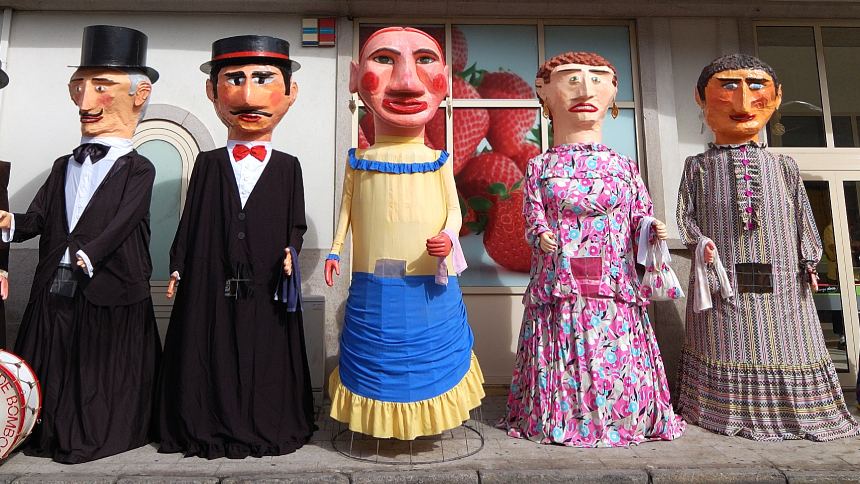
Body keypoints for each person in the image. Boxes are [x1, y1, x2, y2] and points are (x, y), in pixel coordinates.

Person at [499, 51, 685, 447]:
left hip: (613, 283)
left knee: (613, 351)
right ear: (544, 92)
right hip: (560, 282)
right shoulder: (539, 167)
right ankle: (562, 415)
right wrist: (540, 233)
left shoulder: (625, 166)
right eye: (571, 79)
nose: (585, 89)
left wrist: (650, 228)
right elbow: (532, 215)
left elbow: (639, 213)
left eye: (598, 79)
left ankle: (622, 415)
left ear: (614, 93)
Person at [676, 53, 859, 441]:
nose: (743, 101)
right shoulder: (697, 166)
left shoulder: (785, 165)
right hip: (723, 276)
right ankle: (724, 407)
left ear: (777, 98)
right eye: (728, 86)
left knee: (787, 341)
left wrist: (810, 259)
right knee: (728, 338)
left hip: (783, 278)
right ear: (700, 97)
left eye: (756, 86)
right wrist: (699, 242)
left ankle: (795, 409)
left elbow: (802, 215)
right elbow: (684, 214)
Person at [0, 25, 161, 463]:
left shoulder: (139, 169)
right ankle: (47, 430)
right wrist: (11, 222)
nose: (85, 103)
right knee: (53, 356)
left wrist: (90, 253)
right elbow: (39, 218)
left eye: (101, 87)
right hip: (56, 282)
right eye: (79, 87)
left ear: (139, 95)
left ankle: (96, 433)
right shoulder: (61, 166)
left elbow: (125, 221)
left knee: (98, 366)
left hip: (110, 284)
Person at [156, 35, 314, 459]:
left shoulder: (289, 167)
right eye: (235, 80)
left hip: (267, 279)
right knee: (212, 346)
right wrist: (178, 265)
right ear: (212, 91)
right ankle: (207, 419)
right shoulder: (207, 163)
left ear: (290, 93)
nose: (248, 95)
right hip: (212, 276)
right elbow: (190, 219)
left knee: (263, 350)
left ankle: (263, 419)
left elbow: (296, 222)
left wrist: (291, 251)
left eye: (263, 79)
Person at [325, 26, 484, 440]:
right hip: (373, 283)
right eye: (384, 59)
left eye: (425, 60)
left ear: (444, 80)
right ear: (354, 77)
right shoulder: (357, 161)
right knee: (375, 348)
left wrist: (449, 237)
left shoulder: (438, 161)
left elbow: (454, 210)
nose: (408, 81)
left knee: (429, 355)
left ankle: (427, 424)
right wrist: (335, 250)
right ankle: (378, 425)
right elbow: (345, 212)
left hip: (430, 284)